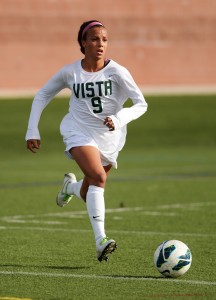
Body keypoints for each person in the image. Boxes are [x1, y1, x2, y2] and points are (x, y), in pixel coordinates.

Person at [25, 20, 148, 262]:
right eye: (94, 39)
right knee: (98, 178)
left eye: (104, 39)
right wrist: (32, 130)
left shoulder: (118, 72)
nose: (100, 44)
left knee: (89, 187)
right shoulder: (70, 72)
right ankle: (101, 241)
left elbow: (141, 104)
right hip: (77, 131)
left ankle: (69, 187)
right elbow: (43, 94)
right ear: (83, 43)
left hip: (110, 137)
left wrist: (119, 118)